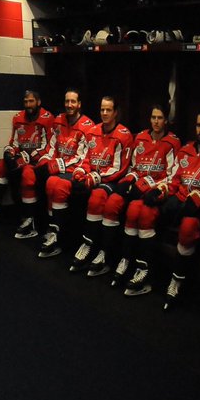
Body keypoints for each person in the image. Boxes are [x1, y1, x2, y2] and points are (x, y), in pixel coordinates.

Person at [125, 112, 200, 309]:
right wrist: (160, 192)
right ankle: (145, 270)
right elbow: (174, 180)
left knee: (188, 226)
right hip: (179, 201)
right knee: (146, 211)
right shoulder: (186, 150)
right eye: (198, 125)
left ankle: (176, 281)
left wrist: (197, 200)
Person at [113, 105, 179, 289]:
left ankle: (145, 268)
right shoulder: (141, 138)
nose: (156, 121)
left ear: (166, 121)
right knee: (132, 210)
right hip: (140, 190)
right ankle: (127, 260)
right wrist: (129, 180)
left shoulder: (172, 143)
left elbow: (173, 175)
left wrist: (157, 189)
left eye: (160, 118)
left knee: (145, 214)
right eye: (153, 117)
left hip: (157, 195)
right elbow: (134, 168)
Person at [66, 96, 133, 275]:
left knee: (98, 197)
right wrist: (81, 171)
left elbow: (119, 168)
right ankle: (88, 244)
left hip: (113, 181)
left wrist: (95, 177)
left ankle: (104, 252)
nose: (104, 113)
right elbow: (87, 158)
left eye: (108, 110)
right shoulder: (93, 131)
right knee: (74, 189)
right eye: (102, 109)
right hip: (95, 177)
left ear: (115, 112)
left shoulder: (123, 135)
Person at [36, 89, 96, 259]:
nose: (69, 105)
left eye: (73, 101)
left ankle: (60, 236)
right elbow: (53, 147)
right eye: (67, 101)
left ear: (79, 104)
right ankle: (54, 230)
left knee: (59, 185)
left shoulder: (87, 126)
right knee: (49, 182)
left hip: (75, 170)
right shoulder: (58, 121)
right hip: (60, 168)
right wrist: (47, 161)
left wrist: (59, 165)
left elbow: (84, 156)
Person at [0, 90, 54, 238]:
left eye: (31, 101)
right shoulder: (18, 118)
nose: (28, 105)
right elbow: (15, 142)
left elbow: (49, 146)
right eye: (26, 102)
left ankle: (29, 220)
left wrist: (28, 156)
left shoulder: (47, 118)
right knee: (1, 165)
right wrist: (9, 152)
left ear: (38, 102)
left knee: (28, 174)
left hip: (39, 160)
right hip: (22, 157)